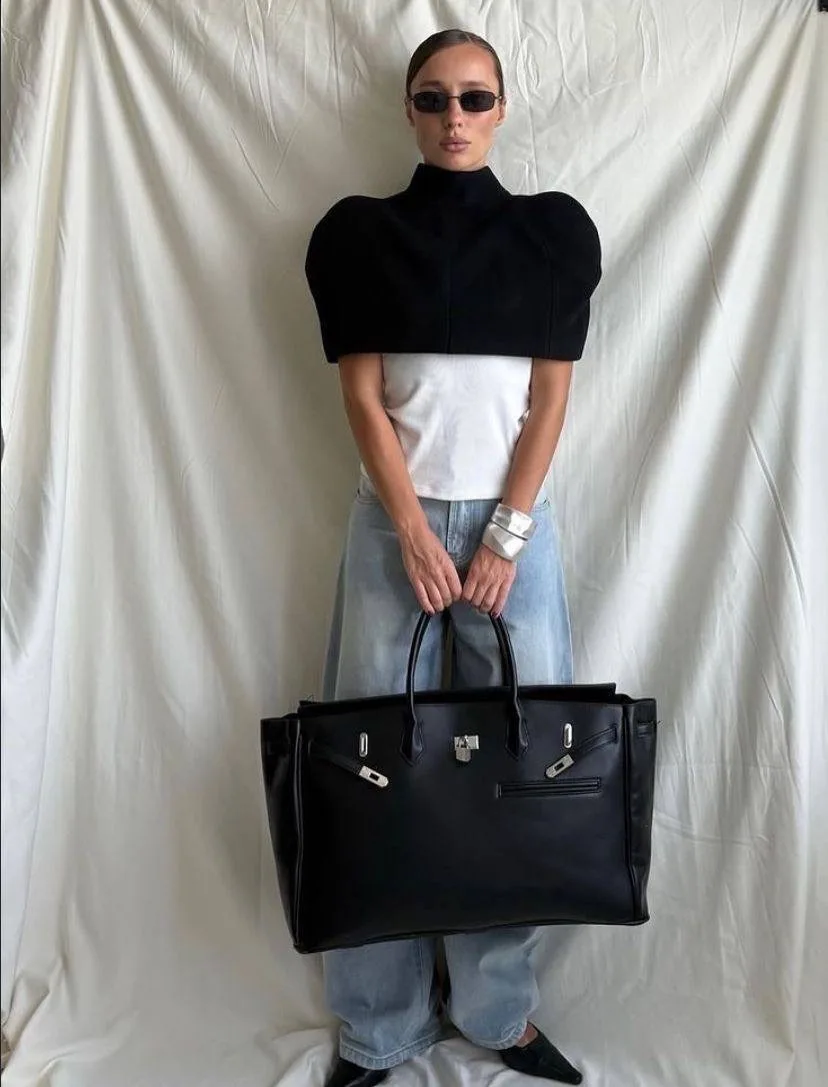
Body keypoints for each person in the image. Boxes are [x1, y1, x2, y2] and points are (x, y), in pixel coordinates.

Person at [303, 28, 602, 1087]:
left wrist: (504, 537)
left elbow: (549, 400)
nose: (455, 118)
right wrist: (416, 533)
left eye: (475, 98)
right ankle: (377, 1026)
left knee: (523, 765)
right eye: (433, 99)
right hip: (398, 526)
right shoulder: (358, 238)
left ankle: (499, 1011)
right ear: (409, 111)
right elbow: (363, 399)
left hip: (515, 531)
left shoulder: (552, 236)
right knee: (373, 765)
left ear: (503, 107)